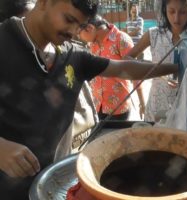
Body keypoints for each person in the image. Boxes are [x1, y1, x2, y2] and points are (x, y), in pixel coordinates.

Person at [0, 0, 177, 199]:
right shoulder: (4, 43)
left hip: (51, 182)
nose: (73, 31)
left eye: (80, 26)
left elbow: (121, 68)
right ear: (45, 2)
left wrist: (173, 68)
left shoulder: (72, 55)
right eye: (69, 20)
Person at [126, 0, 187, 122]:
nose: (176, 18)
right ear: (165, 10)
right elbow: (127, 59)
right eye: (171, 11)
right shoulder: (154, 35)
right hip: (157, 109)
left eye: (183, 12)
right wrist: (157, 72)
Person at [79, 15, 145, 120]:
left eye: (79, 32)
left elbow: (135, 72)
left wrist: (142, 102)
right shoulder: (93, 44)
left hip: (118, 107)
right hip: (97, 105)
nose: (79, 36)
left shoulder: (121, 39)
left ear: (90, 28)